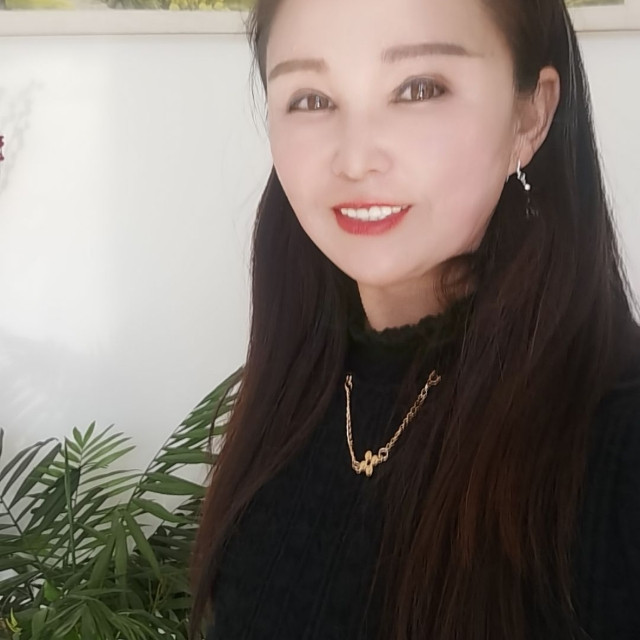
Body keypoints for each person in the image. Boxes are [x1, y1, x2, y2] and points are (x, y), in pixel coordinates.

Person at [189, 0, 640, 637]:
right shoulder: (290, 397)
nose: (355, 159)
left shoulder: (617, 445)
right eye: (311, 99)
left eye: (419, 88)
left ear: (530, 115)